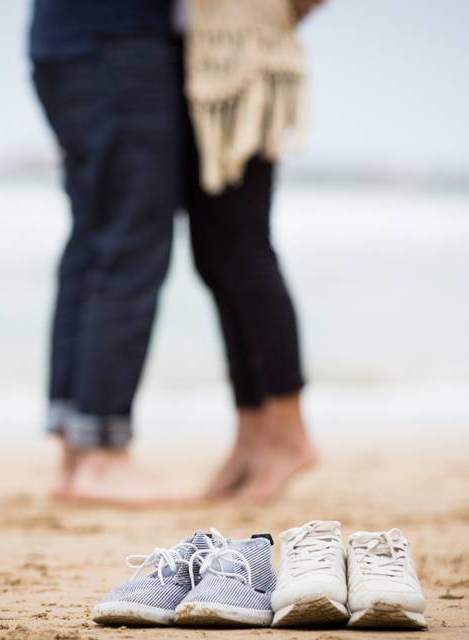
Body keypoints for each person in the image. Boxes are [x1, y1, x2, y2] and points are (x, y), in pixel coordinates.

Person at [28, 0, 321, 504]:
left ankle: (268, 438)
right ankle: (99, 455)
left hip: (212, 52)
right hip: (138, 42)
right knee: (150, 244)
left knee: (220, 245)